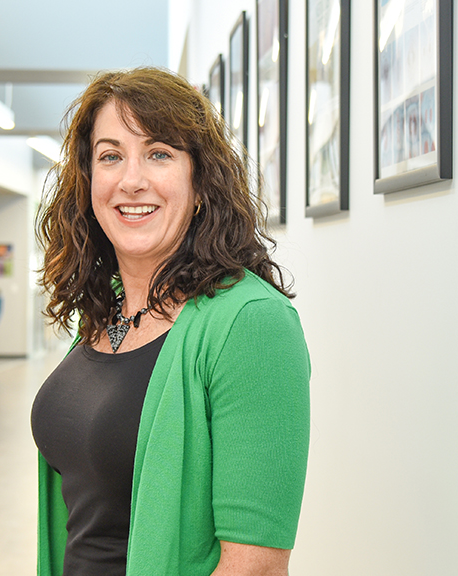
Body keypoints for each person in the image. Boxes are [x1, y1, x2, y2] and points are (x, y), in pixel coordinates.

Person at [31, 67, 310, 576]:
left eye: (159, 153)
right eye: (110, 156)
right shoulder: (107, 312)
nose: (131, 180)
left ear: (200, 181)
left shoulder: (251, 323)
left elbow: (256, 566)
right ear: (90, 183)